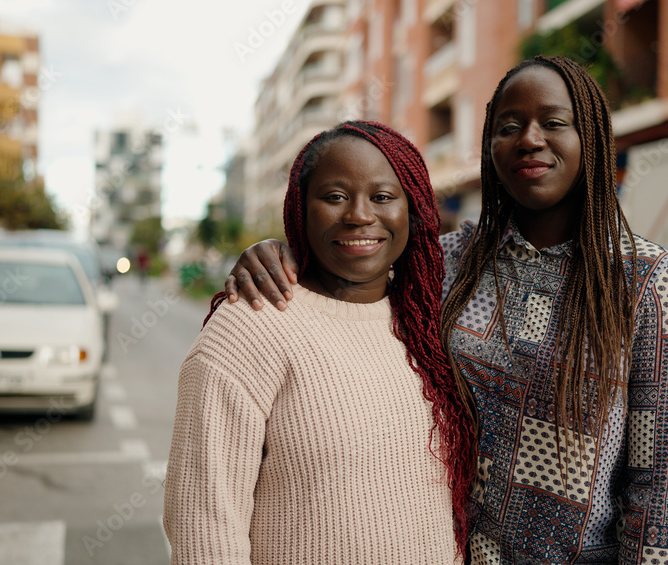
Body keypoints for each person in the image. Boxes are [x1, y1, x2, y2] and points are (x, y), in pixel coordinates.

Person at [223, 56, 668, 565]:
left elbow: (660, 498)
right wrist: (282, 251)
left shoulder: (649, 284)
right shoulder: (448, 263)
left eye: (554, 122)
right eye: (509, 126)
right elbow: (350, 272)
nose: (529, 139)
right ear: (488, 146)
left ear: (591, 136)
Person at [162, 121, 474, 564]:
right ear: (299, 209)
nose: (360, 215)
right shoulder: (247, 327)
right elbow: (203, 528)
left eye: (383, 197)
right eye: (334, 196)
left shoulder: (428, 323)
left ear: (414, 211)